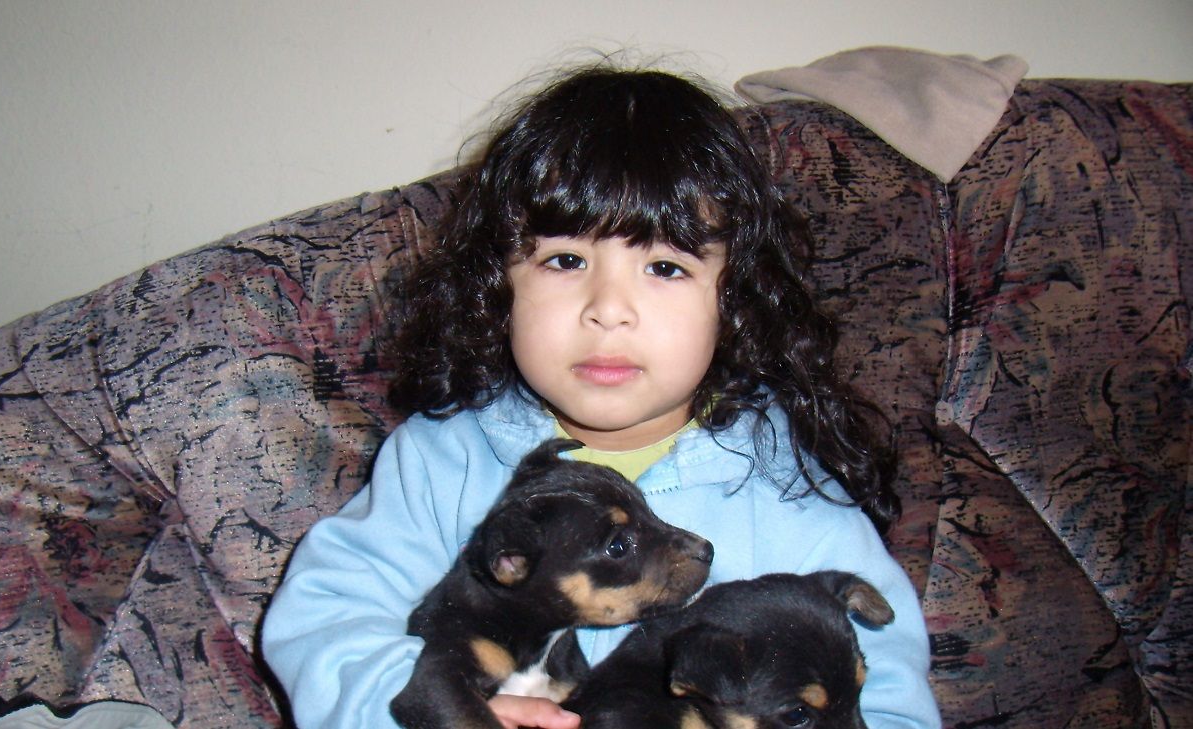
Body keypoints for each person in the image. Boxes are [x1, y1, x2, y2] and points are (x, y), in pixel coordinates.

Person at [261, 63, 941, 729]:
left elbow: (887, 701)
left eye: (665, 266)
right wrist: (441, 711)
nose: (608, 308)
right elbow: (324, 620)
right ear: (497, 287)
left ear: (732, 302)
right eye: (565, 260)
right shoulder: (442, 459)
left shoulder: (788, 490)